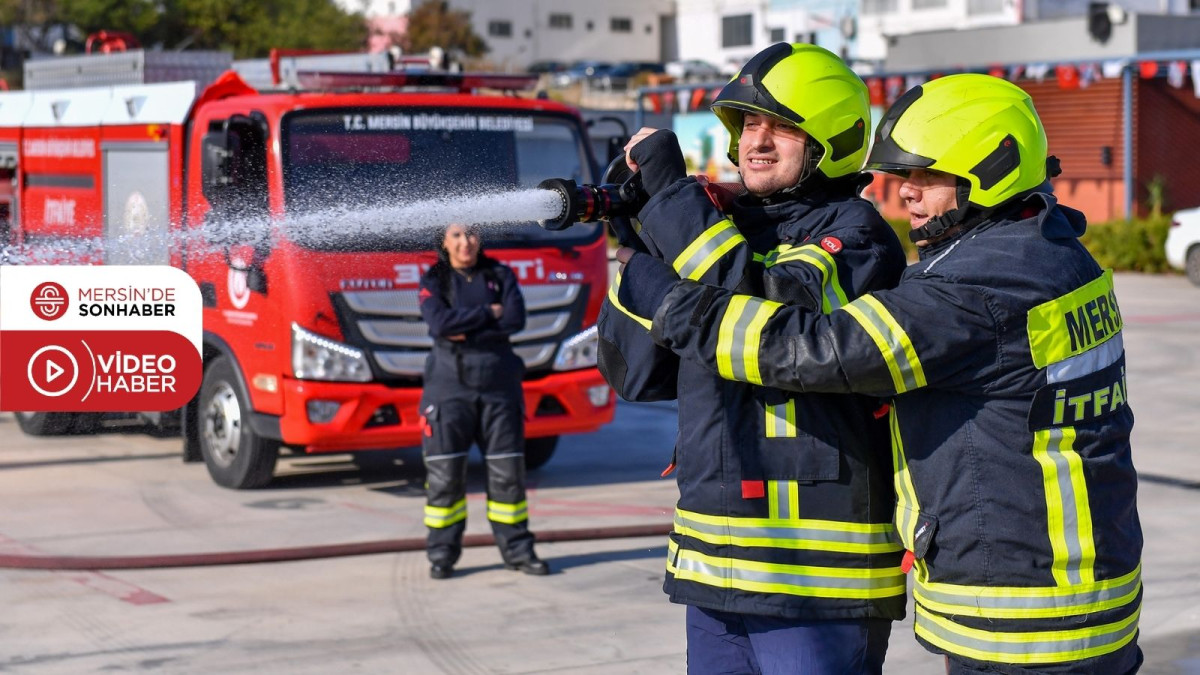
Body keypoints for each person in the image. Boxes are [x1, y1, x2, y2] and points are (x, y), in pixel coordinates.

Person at [616, 73, 1143, 674]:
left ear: (994, 168)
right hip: (1066, 593)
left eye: (927, 176)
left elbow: (807, 349)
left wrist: (665, 293)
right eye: (904, 177)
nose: (907, 195)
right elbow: (643, 376)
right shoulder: (1051, 253)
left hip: (1025, 614)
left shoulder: (978, 286)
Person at [598, 43, 909, 673]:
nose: (755, 141)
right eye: (747, 124)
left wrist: (667, 208)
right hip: (715, 567)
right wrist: (640, 240)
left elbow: (752, 309)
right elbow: (636, 374)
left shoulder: (856, 235)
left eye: (781, 126)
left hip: (817, 581)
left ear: (831, 140)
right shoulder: (722, 231)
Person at [417, 223, 549, 579]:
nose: (466, 242)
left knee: (508, 477)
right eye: (457, 235)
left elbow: (515, 319)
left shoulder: (500, 274)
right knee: (445, 478)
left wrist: (467, 326)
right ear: (443, 242)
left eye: (472, 234)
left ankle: (519, 552)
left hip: (499, 388)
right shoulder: (434, 280)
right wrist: (488, 314)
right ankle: (442, 556)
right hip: (448, 391)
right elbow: (439, 324)